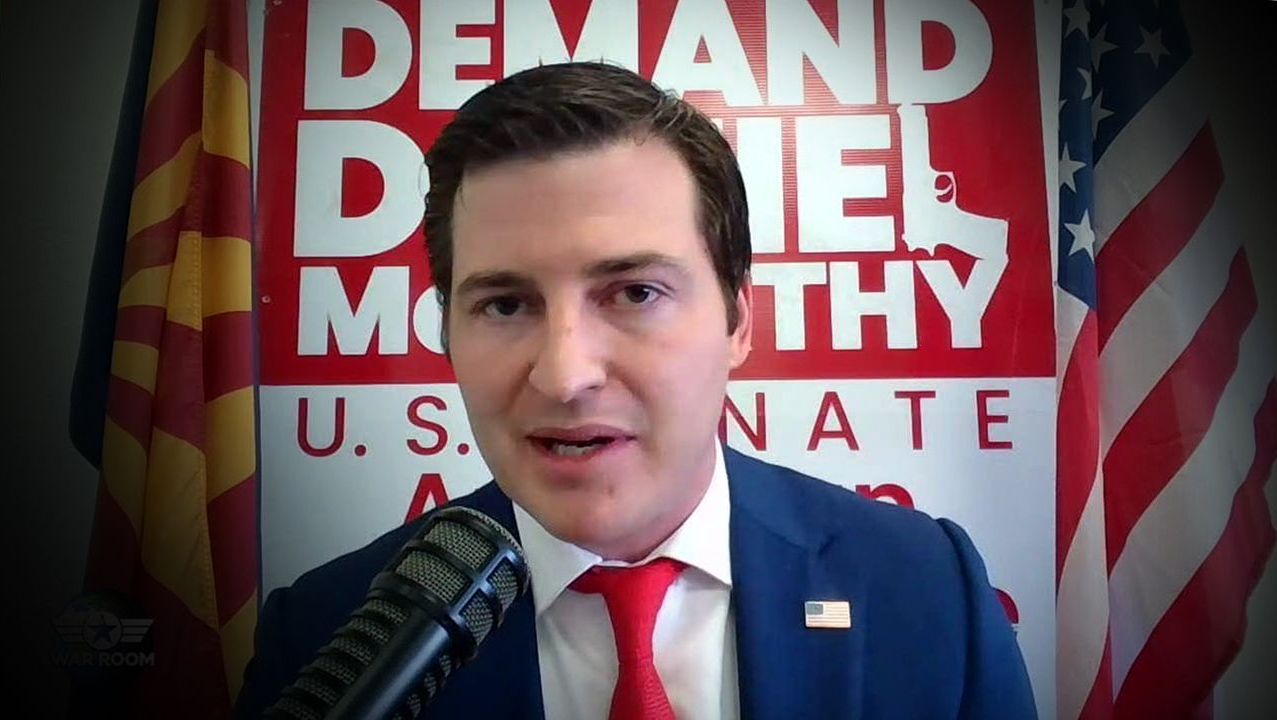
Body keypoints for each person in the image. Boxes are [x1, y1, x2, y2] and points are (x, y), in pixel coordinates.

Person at [234, 61, 1036, 719]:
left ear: (738, 320)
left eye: (634, 293)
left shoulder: (926, 587)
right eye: (505, 305)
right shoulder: (325, 636)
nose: (565, 375)